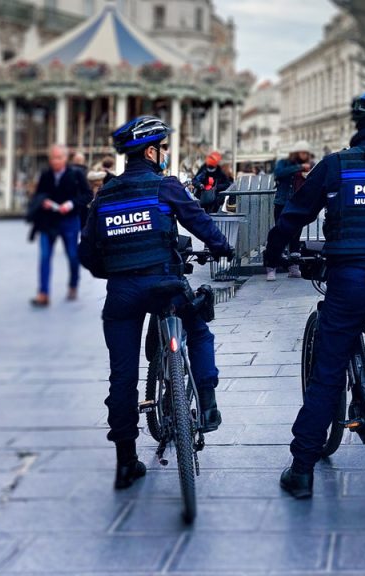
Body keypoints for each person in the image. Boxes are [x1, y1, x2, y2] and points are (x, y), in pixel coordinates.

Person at [263, 91, 365, 499]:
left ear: (358, 127)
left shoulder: (336, 165)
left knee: (328, 371)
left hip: (347, 278)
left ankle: (302, 469)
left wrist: (274, 252)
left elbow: (294, 215)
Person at [78, 116, 233, 490]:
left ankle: (126, 463)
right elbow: (201, 223)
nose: (164, 155)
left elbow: (86, 252)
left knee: (123, 376)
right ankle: (208, 404)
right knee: (197, 331)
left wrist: (113, 271)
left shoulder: (106, 195)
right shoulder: (166, 186)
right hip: (165, 284)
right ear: (151, 152)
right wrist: (221, 248)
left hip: (123, 295)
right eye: (162, 149)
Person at [29, 144, 92, 307]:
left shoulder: (76, 174)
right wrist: (43, 201)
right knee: (44, 257)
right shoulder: (45, 174)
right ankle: (43, 293)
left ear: (65, 158)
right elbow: (38, 194)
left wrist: (71, 204)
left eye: (58, 158)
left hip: (69, 220)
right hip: (48, 221)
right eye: (52, 158)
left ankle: (73, 284)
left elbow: (87, 195)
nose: (55, 161)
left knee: (72, 256)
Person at [268, 141, 312, 280]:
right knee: (279, 233)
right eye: (302, 152)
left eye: (306, 153)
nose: (305, 156)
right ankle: (271, 267)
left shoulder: (309, 165)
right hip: (282, 202)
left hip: (298, 203)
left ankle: (293, 267)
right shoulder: (285, 163)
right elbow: (278, 173)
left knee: (295, 236)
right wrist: (298, 167)